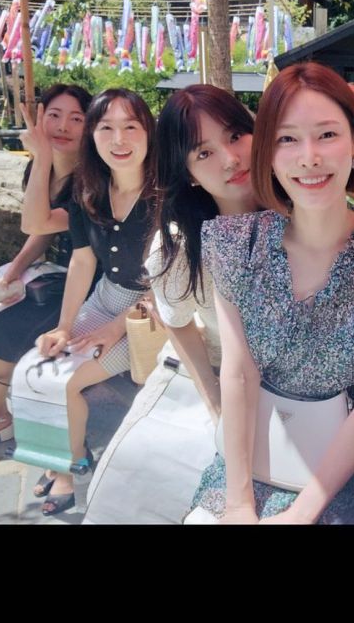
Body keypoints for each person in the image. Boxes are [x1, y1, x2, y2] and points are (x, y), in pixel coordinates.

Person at [190, 61, 354, 524]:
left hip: (348, 473)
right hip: (252, 464)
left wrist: (301, 513)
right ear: (269, 153)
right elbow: (238, 375)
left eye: (327, 135)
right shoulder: (235, 245)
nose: (309, 157)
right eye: (287, 139)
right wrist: (238, 504)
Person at [85, 85, 260, 523]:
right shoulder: (179, 248)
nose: (230, 159)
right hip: (209, 371)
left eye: (236, 135)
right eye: (204, 153)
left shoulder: (304, 214)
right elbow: (177, 322)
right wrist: (214, 401)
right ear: (188, 173)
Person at [18, 88, 157, 515]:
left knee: (68, 381)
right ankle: (72, 456)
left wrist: (115, 329)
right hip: (105, 296)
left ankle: (66, 470)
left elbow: (174, 281)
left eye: (130, 127)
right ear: (92, 136)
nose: (119, 139)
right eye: (106, 128)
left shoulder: (167, 196)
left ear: (149, 133)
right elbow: (83, 259)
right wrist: (64, 326)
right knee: (36, 368)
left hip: (150, 312)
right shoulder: (89, 190)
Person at [0, 84, 92, 456]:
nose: (62, 126)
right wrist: (14, 270)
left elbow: (38, 222)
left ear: (89, 126)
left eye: (76, 119)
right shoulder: (41, 168)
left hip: (86, 280)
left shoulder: (91, 180)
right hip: (55, 272)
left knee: (5, 325)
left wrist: (43, 156)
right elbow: (41, 235)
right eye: (54, 116)